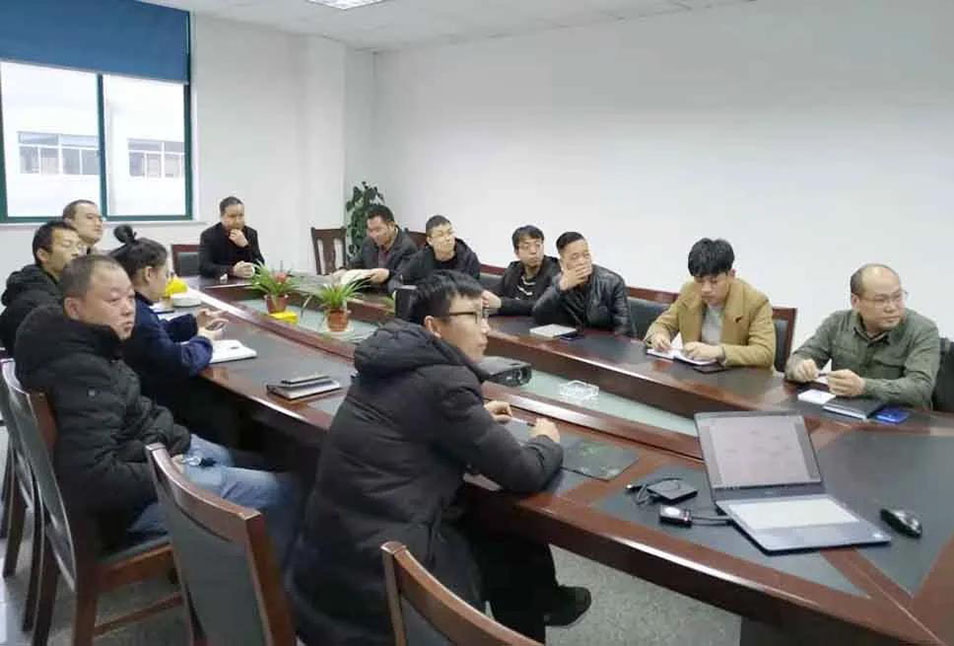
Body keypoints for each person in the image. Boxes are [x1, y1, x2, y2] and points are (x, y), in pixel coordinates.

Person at [289, 271, 591, 645]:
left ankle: (543, 603)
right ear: (433, 326)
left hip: (329, 561)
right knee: (508, 545)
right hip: (382, 580)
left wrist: (471, 417)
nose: (486, 328)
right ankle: (533, 614)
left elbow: (412, 417)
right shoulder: (446, 383)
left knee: (503, 534)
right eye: (474, 317)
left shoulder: (387, 361)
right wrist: (546, 440)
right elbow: (524, 471)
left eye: (486, 315)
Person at [14, 255, 299, 560]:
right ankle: (269, 587)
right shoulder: (83, 372)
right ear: (74, 307)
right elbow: (90, 476)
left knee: (264, 461)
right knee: (289, 491)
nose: (128, 309)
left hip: (159, 449)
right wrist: (165, 472)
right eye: (113, 300)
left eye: (130, 297)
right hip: (140, 498)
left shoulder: (78, 340)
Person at [110, 226, 238, 442]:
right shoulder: (137, 314)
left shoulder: (136, 308)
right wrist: (204, 339)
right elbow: (181, 362)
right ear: (148, 274)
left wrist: (194, 323)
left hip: (145, 394)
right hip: (157, 406)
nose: (168, 280)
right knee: (225, 404)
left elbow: (158, 332)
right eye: (167, 274)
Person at [786, 264, 939, 408]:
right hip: (845, 412)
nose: (892, 307)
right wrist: (799, 368)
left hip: (901, 417)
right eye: (881, 300)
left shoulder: (922, 330)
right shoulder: (837, 323)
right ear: (855, 301)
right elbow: (798, 358)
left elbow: (920, 389)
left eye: (897, 297)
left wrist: (864, 387)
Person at [645, 238, 776, 367]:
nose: (705, 289)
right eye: (699, 281)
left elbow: (765, 353)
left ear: (731, 275)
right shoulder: (689, 292)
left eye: (714, 282)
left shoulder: (755, 302)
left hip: (740, 377)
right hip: (697, 375)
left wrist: (719, 352)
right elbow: (662, 325)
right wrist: (658, 336)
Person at [0, 221, 83, 350]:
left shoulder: (67, 290)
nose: (77, 252)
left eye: (79, 246)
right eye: (67, 246)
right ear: (43, 255)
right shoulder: (34, 302)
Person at [532, 231, 634, 336]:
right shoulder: (559, 281)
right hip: (574, 342)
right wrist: (560, 288)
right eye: (575, 257)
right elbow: (539, 316)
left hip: (606, 343)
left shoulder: (612, 282)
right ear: (562, 263)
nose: (582, 261)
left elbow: (624, 330)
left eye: (586, 255)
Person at [481, 225, 560, 316]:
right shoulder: (514, 268)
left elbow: (543, 306)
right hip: (511, 322)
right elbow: (497, 293)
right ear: (517, 253)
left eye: (538, 245)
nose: (533, 251)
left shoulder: (554, 272)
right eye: (526, 247)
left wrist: (502, 304)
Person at [387, 215, 480, 292]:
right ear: (430, 241)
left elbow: (474, 292)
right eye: (441, 235)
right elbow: (396, 280)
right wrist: (398, 294)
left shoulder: (468, 259)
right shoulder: (421, 258)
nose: (448, 238)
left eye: (450, 233)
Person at [341, 205, 417, 290]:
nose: (374, 235)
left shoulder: (407, 247)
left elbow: (405, 278)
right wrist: (343, 271)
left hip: (389, 295)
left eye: (378, 230)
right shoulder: (369, 242)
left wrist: (388, 274)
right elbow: (356, 263)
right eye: (370, 230)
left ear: (391, 226)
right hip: (369, 293)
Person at [199, 196, 265, 279]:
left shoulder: (251, 233)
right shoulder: (208, 235)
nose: (237, 221)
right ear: (221, 217)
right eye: (232, 216)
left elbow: (260, 265)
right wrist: (232, 270)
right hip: (219, 283)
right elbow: (204, 267)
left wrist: (245, 246)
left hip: (246, 281)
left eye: (241, 215)